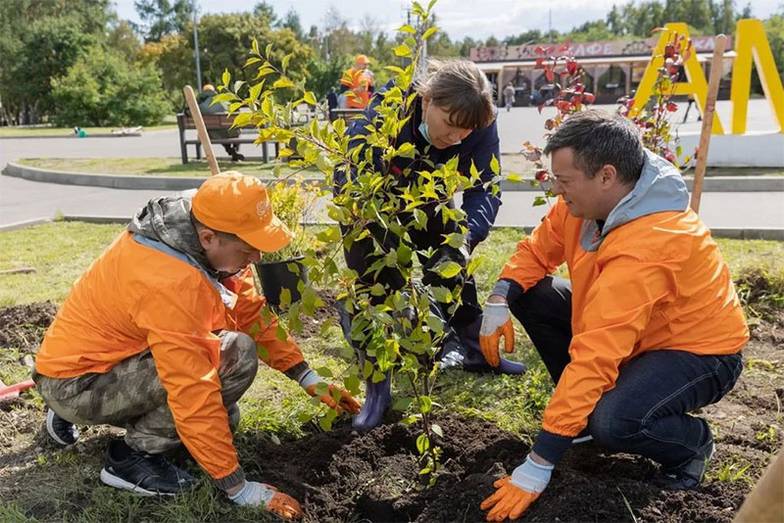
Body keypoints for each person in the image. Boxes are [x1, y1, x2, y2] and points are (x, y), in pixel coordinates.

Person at [33, 172, 360, 520]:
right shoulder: (170, 280)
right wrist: (237, 487)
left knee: (224, 413)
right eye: (249, 248)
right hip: (75, 383)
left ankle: (85, 410)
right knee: (231, 360)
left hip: (98, 360)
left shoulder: (208, 242)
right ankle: (132, 459)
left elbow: (249, 311)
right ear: (208, 237)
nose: (258, 258)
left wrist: (305, 375)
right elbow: (191, 387)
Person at [479, 110, 748, 521]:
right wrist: (501, 296)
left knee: (615, 420)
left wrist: (540, 461)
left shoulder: (651, 242)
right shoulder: (583, 204)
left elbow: (597, 354)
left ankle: (691, 445)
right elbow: (537, 250)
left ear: (606, 175)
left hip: (698, 351)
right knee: (533, 293)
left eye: (564, 181)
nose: (557, 189)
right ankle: (580, 422)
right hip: (634, 333)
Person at [335, 59, 526, 432]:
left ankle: (474, 347)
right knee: (376, 278)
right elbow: (351, 172)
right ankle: (378, 386)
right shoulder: (390, 108)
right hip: (372, 200)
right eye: (450, 126)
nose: (457, 138)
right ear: (427, 101)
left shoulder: (480, 121)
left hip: (429, 193)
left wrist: (467, 234)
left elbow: (485, 184)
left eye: (465, 132)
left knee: (453, 249)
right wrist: (375, 223)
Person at [197, 84, 244, 162]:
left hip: (212, 134)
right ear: (214, 91)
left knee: (216, 132)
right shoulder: (222, 101)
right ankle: (234, 150)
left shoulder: (200, 105)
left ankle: (232, 152)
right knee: (228, 130)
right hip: (230, 131)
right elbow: (234, 110)